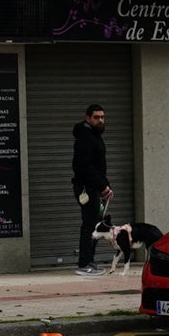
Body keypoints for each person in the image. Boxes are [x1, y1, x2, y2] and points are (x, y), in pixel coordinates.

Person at [71, 103, 111, 274]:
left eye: (102, 117)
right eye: (96, 117)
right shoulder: (86, 138)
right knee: (89, 225)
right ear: (88, 118)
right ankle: (84, 263)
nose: (100, 120)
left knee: (95, 224)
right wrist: (102, 186)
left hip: (94, 187)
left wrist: (105, 186)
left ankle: (90, 261)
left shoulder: (94, 135)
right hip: (87, 188)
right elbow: (84, 167)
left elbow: (98, 166)